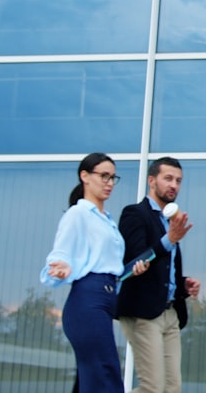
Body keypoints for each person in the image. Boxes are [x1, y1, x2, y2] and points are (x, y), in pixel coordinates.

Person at [42, 152, 149, 393]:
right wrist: (60, 268)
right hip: (88, 301)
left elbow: (108, 265)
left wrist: (131, 271)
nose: (109, 183)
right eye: (104, 176)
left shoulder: (107, 220)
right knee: (105, 374)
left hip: (106, 299)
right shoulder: (78, 214)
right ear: (85, 176)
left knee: (92, 378)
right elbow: (59, 255)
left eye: (113, 178)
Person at [116, 156, 200, 393]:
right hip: (143, 312)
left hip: (170, 313)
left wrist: (183, 285)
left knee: (172, 388)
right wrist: (169, 239)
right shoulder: (135, 214)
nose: (174, 185)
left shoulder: (169, 221)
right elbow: (135, 260)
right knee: (152, 388)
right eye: (168, 178)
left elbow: (162, 270)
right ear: (151, 181)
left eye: (178, 181)